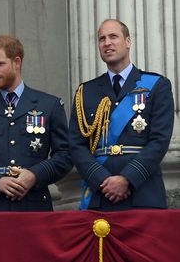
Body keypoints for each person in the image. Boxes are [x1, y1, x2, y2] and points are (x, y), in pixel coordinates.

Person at [0, 35, 72, 212]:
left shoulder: (49, 105)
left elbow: (65, 155)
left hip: (34, 204)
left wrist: (34, 175)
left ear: (17, 62)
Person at [69, 19, 174, 211]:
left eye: (113, 37)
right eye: (102, 39)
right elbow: (76, 145)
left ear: (128, 41)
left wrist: (127, 179)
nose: (107, 43)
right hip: (100, 195)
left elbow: (159, 141)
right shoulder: (86, 92)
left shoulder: (157, 85)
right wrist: (102, 179)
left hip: (143, 193)